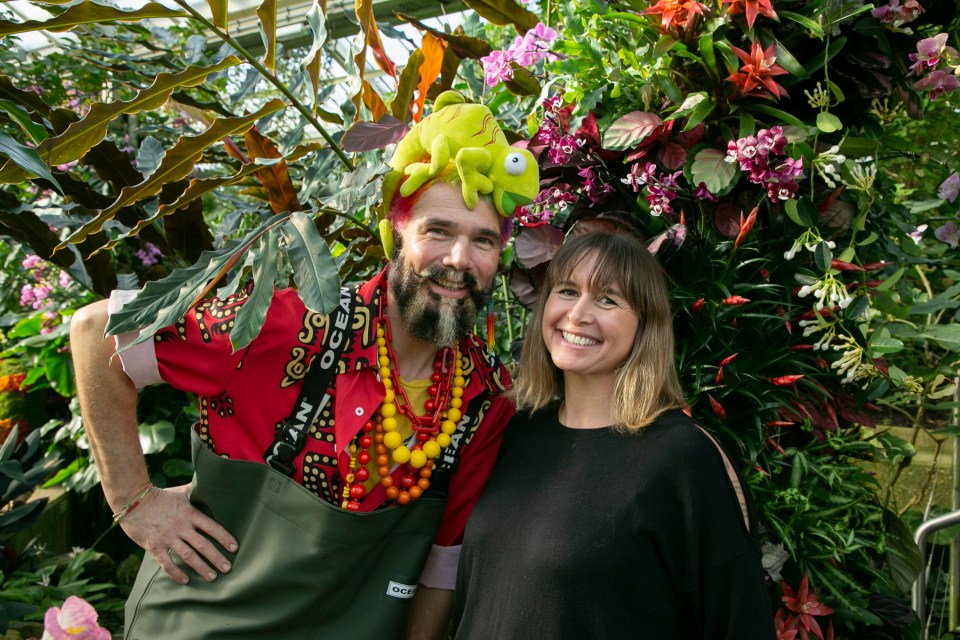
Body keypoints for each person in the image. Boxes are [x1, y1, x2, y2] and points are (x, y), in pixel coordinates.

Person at [70, 92, 538, 640]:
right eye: (438, 231)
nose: (459, 260)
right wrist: (134, 501)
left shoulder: (484, 396)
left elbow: (442, 563)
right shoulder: (291, 326)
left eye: (482, 241)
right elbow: (97, 332)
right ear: (396, 235)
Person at [452, 231, 777, 639]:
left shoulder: (683, 459)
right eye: (567, 291)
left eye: (607, 299)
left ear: (646, 325)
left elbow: (738, 623)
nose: (578, 314)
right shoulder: (517, 431)